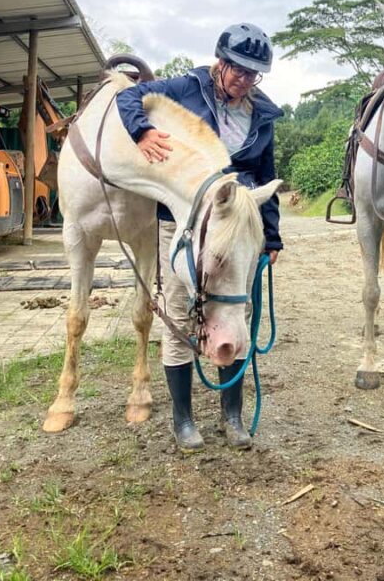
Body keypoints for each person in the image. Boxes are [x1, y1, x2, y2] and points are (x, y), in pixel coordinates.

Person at [116, 23, 283, 452]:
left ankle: (232, 415)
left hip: (238, 227)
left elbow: (266, 174)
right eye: (239, 71)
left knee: (237, 315)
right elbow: (129, 95)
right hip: (184, 222)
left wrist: (272, 237)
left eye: (253, 74)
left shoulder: (261, 113)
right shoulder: (186, 88)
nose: (245, 81)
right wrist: (143, 131)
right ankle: (183, 419)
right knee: (177, 312)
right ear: (220, 62)